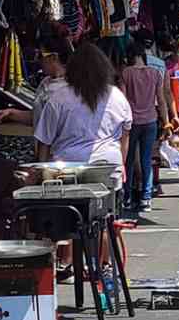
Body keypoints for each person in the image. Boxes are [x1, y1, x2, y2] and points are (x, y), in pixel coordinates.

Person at [35, 42, 132, 183]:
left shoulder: (58, 98)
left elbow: (44, 142)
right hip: (109, 167)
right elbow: (125, 133)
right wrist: (121, 163)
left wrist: (41, 174)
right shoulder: (117, 95)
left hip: (67, 170)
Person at [117, 48, 170, 212]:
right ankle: (146, 198)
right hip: (150, 121)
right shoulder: (155, 73)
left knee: (129, 159)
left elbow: (123, 100)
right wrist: (166, 121)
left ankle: (127, 197)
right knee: (146, 159)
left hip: (131, 122)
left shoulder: (126, 73)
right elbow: (161, 100)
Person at [0, 32, 71, 129]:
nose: (38, 60)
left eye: (40, 55)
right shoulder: (45, 82)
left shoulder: (70, 89)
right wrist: (11, 113)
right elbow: (37, 117)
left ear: (54, 57)